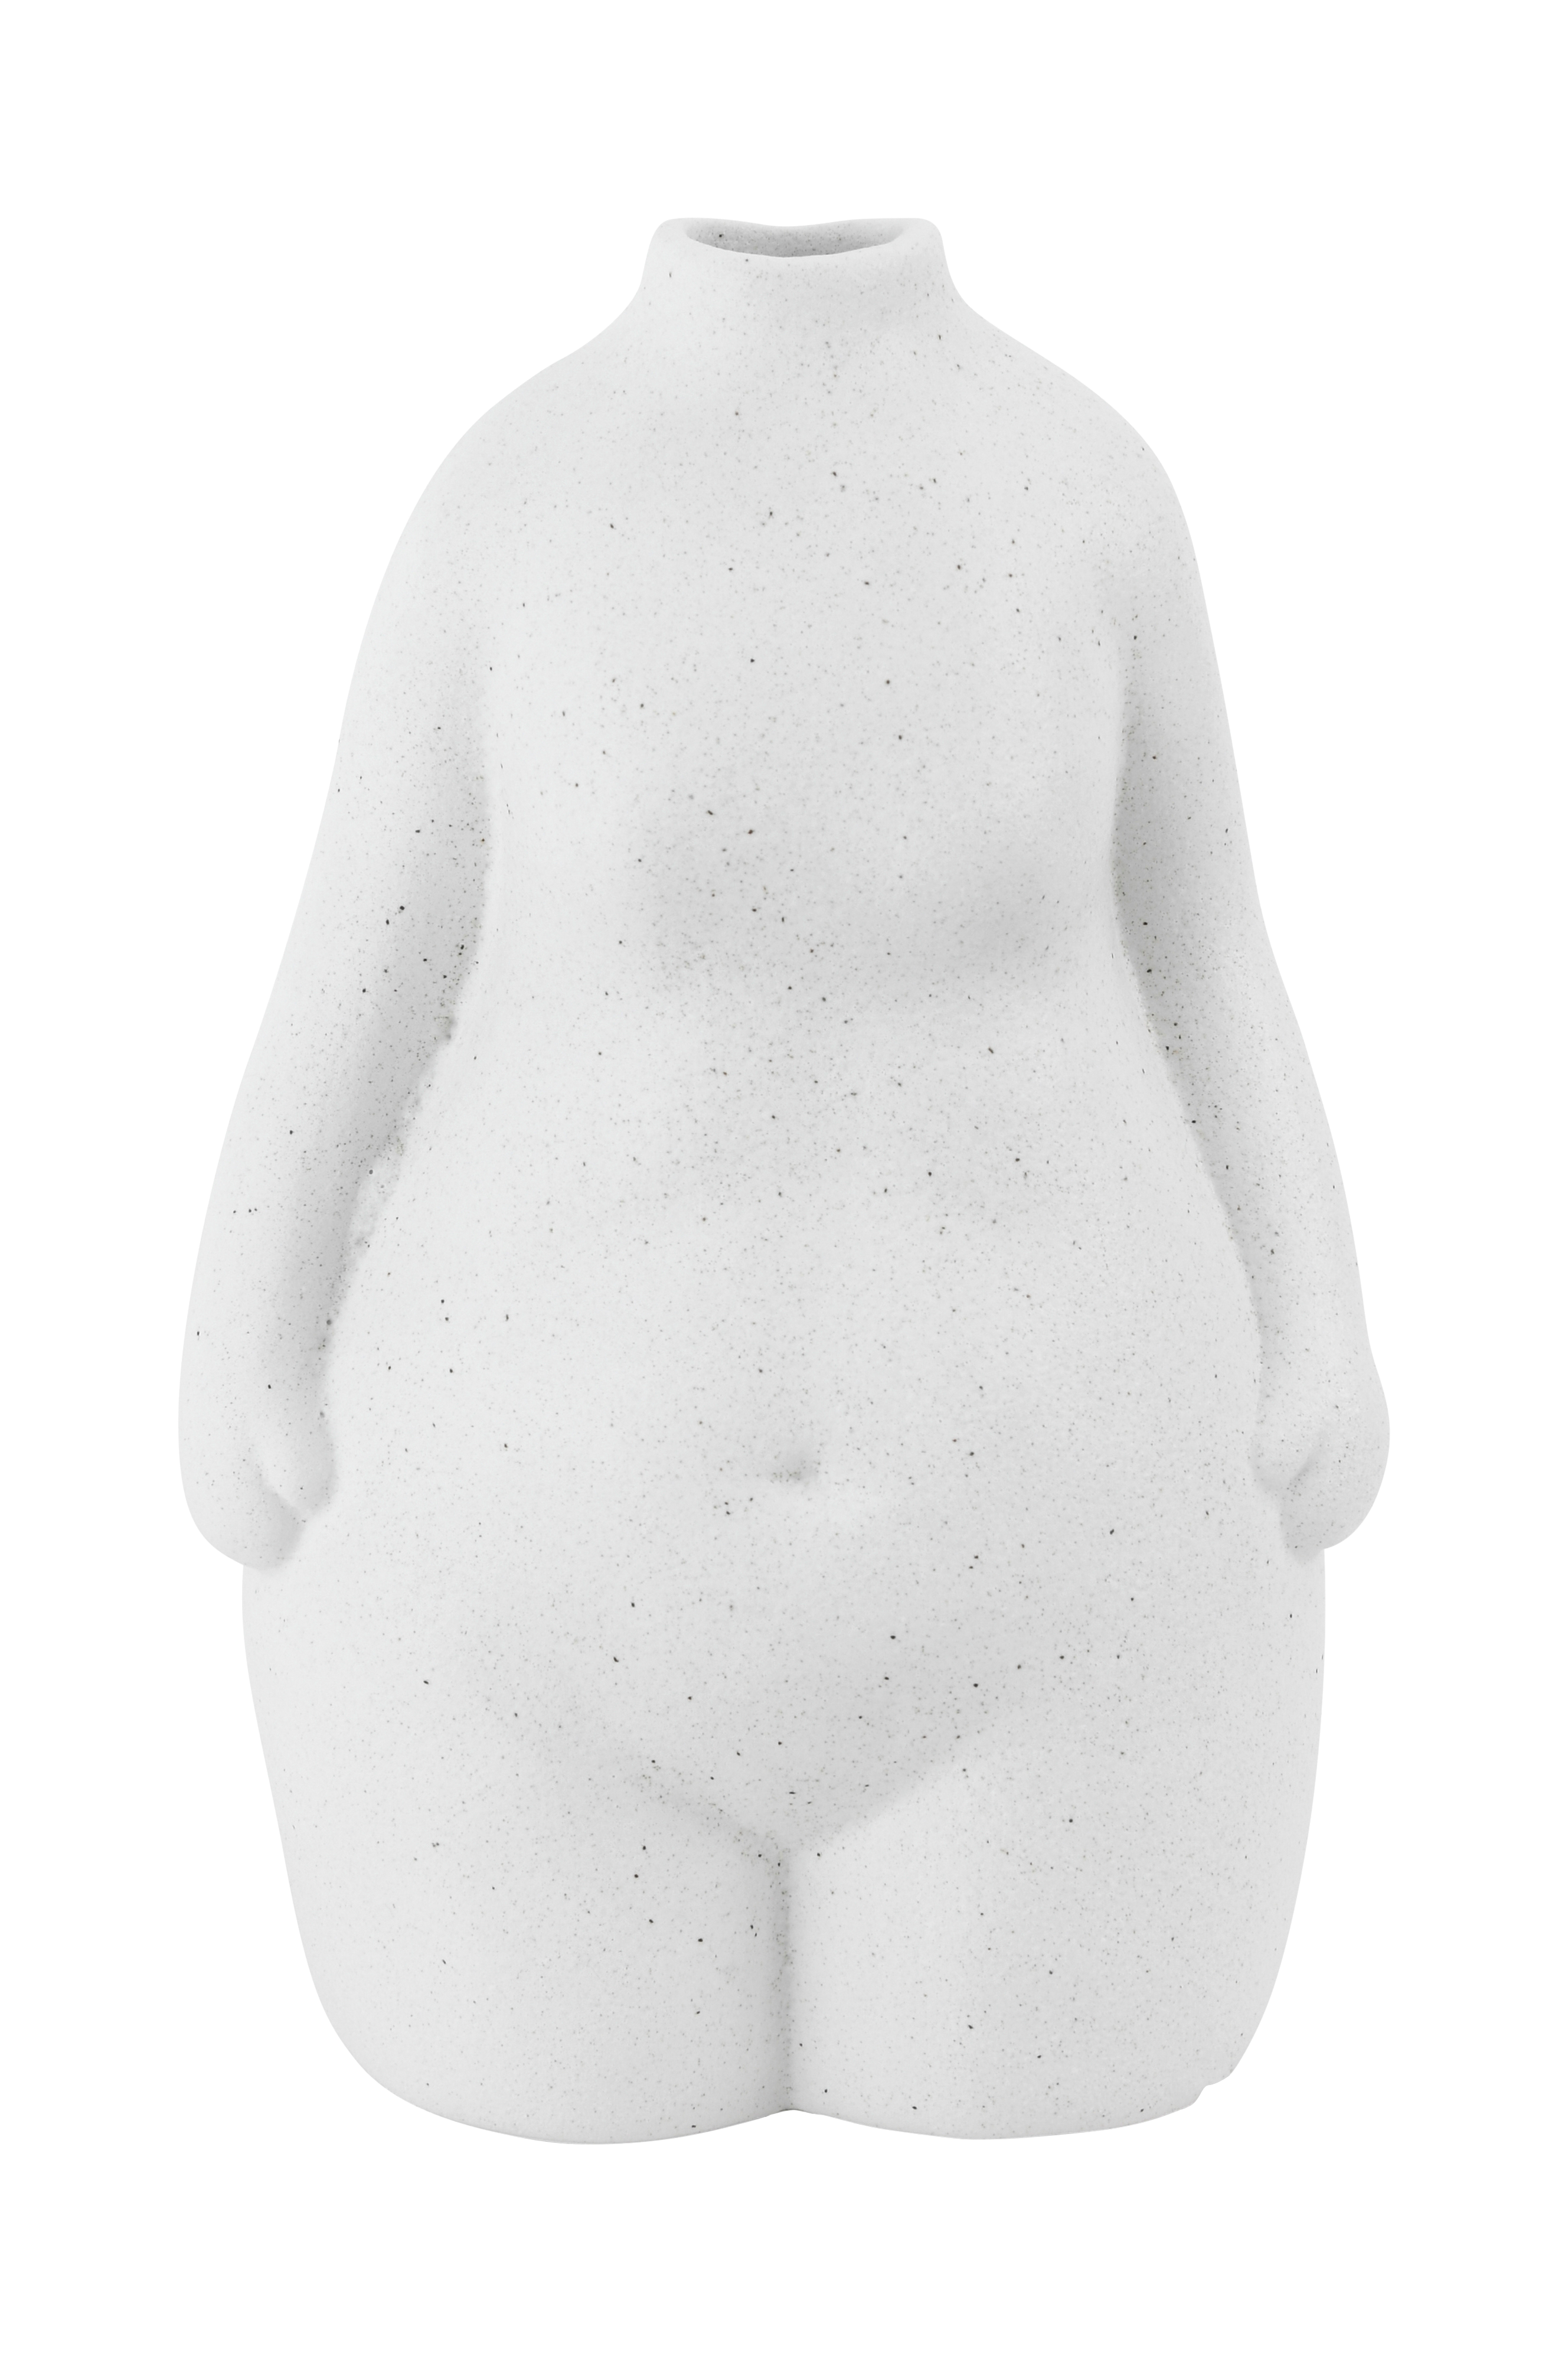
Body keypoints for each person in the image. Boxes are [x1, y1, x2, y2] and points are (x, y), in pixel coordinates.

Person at [181, 218, 1388, 2139]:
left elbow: (1210, 950)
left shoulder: (1083, 499)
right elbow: (361, 955)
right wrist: (240, 1335)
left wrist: (1321, 1323)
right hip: (510, 1626)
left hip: (1080, 1607)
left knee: (1056, 2223)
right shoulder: (515, 506)